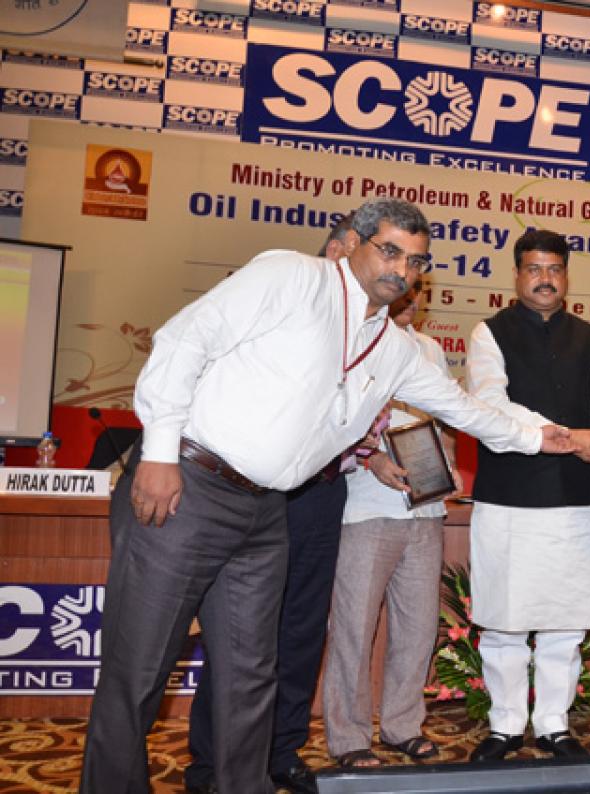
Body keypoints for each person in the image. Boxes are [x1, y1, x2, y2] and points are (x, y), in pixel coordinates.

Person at [80, 199, 573, 794]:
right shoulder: (291, 277)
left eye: (415, 261)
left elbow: (464, 409)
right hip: (189, 485)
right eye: (389, 250)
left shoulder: (392, 349)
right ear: (354, 242)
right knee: (138, 671)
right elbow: (185, 339)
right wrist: (158, 453)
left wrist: (543, 437)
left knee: (251, 674)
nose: (401, 269)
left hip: (265, 514)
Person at [183, 215, 356, 794]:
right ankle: (212, 763)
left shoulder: (365, 329)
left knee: (304, 630)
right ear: (338, 250)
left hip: (325, 492)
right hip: (264, 491)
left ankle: (282, 751)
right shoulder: (284, 299)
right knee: (244, 632)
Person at [465, 228, 590, 762]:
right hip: (507, 496)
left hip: (572, 497)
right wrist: (569, 437)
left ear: (566, 276)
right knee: (503, 622)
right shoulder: (489, 333)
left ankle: (553, 723)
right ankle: (504, 724)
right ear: (517, 275)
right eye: (534, 269)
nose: (545, 279)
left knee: (564, 624)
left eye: (554, 269)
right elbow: (488, 404)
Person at [321, 280, 457, 769]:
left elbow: (443, 420)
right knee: (354, 628)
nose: (408, 299)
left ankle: (403, 725)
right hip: (366, 506)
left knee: (418, 628)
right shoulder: (354, 346)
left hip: (426, 510)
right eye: (401, 290)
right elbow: (329, 421)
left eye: (416, 292)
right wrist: (370, 458)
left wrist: (450, 465)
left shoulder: (430, 350)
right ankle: (349, 735)